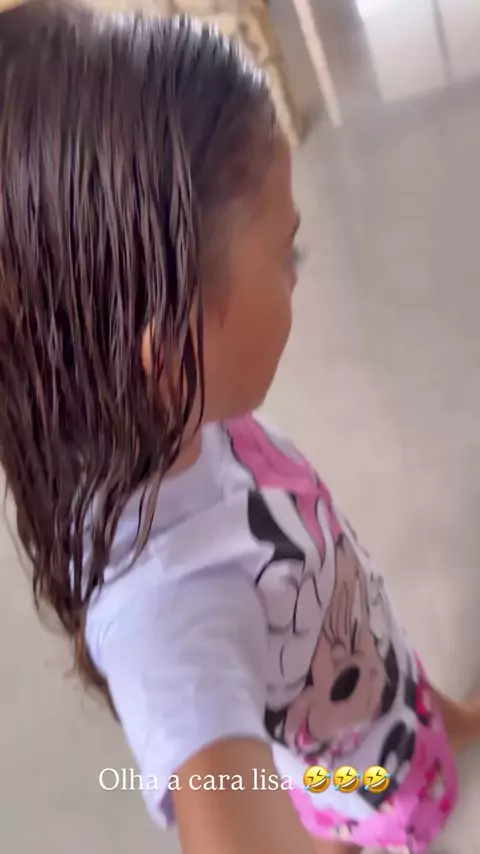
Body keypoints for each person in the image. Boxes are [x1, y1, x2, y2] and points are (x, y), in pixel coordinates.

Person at [0, 3, 478, 853]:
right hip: (352, 769)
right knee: (378, 799)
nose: (297, 272)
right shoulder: (167, 604)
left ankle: (441, 723)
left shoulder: (164, 411)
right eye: (286, 255)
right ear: (169, 352)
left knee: (397, 689)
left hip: (360, 656)